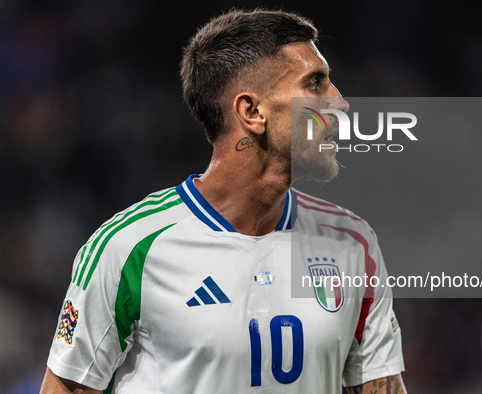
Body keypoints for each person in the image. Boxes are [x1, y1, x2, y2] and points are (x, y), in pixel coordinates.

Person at [40, 9, 406, 394]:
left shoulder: (353, 244)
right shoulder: (130, 248)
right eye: (315, 84)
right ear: (251, 112)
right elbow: (66, 387)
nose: (340, 103)